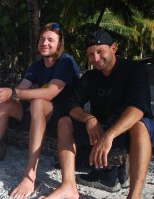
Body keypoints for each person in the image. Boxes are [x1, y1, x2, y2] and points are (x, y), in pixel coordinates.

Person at [0, 22, 80, 199]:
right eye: (42, 39)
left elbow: (51, 92)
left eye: (50, 40)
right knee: (6, 105)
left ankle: (30, 176)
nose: (45, 43)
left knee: (38, 102)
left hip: (63, 118)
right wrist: (2, 94)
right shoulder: (36, 66)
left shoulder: (66, 62)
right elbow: (20, 91)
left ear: (59, 44)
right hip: (39, 116)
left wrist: (14, 92)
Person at [42, 31, 154, 199]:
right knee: (65, 121)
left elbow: (139, 107)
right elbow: (70, 104)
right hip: (100, 127)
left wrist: (110, 134)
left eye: (100, 51)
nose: (95, 58)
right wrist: (89, 118)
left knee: (140, 124)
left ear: (113, 48)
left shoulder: (133, 69)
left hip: (126, 130)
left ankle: (134, 195)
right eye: (90, 54)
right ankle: (68, 186)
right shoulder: (90, 77)